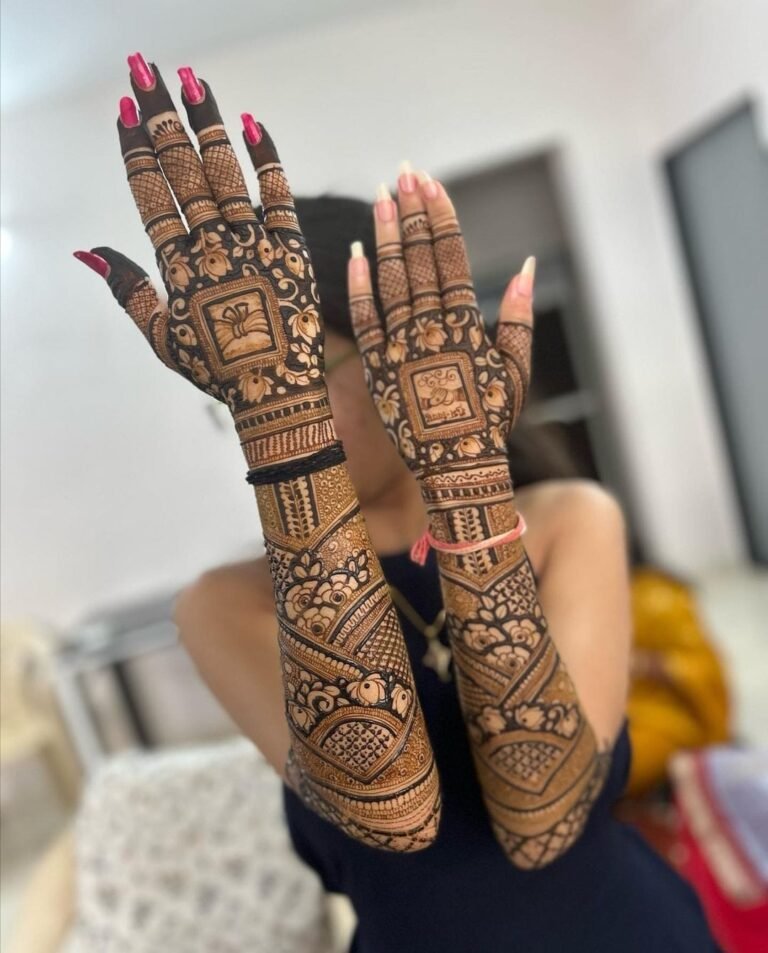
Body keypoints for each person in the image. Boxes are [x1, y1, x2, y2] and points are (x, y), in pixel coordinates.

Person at [74, 55, 720, 952]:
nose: (262, 396)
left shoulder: (571, 517)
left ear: (400, 351)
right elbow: (396, 810)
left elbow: (541, 816)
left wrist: (462, 478)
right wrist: (285, 419)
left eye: (307, 366)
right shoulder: (223, 606)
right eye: (238, 387)